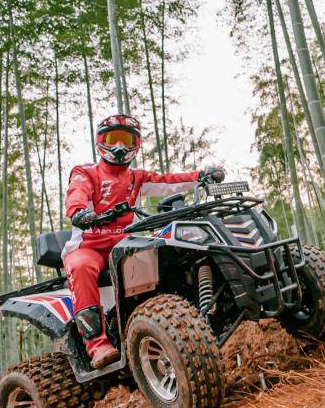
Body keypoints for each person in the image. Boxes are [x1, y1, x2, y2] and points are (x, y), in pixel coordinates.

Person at [63, 113, 223, 368]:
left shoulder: (137, 177)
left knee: (162, 254)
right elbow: (77, 193)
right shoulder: (85, 172)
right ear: (100, 141)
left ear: (135, 144)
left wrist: (201, 175)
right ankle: (97, 346)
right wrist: (80, 212)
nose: (119, 146)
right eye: (113, 138)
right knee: (81, 267)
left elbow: (168, 182)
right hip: (88, 243)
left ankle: (169, 320)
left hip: (125, 241)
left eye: (126, 140)